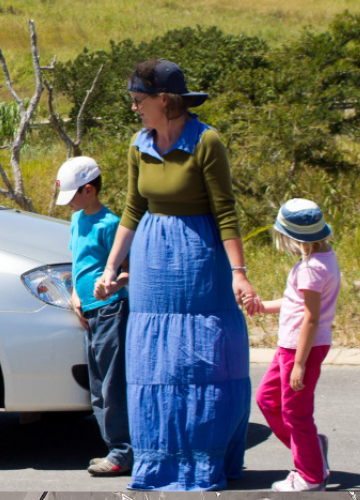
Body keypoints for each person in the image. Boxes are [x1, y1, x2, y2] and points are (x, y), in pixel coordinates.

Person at [94, 59, 258, 490]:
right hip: (152, 267)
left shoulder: (206, 142)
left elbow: (225, 212)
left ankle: (204, 462)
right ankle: (160, 464)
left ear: (165, 101)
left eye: (138, 100)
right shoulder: (138, 144)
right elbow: (133, 209)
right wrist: (112, 266)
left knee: (200, 361)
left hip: (200, 262)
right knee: (156, 365)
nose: (134, 109)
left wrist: (238, 273)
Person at [244, 199, 339, 492]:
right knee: (268, 400)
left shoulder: (311, 268)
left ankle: (310, 476)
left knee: (296, 413)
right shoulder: (322, 259)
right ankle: (311, 451)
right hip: (292, 347)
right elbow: (297, 302)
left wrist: (299, 363)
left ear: (293, 237)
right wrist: (262, 307)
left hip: (301, 349)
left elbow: (311, 317)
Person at [55, 156, 133, 476]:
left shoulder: (110, 224)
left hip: (112, 310)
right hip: (89, 312)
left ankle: (123, 451)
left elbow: (129, 271)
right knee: (98, 384)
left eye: (73, 195)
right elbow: (79, 262)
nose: (68, 203)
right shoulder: (76, 220)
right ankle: (113, 448)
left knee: (113, 384)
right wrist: (75, 294)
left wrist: (112, 283)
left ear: (89, 190)